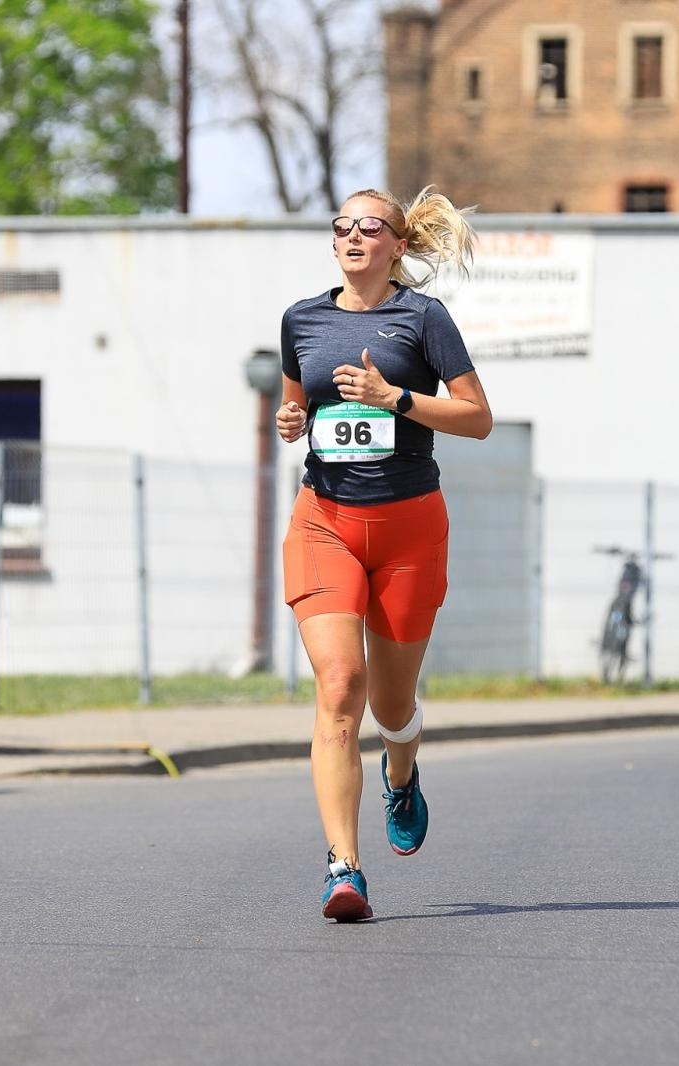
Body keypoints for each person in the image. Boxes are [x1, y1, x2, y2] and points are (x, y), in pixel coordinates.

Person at [275, 186, 492, 921]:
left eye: (370, 227)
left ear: (398, 245)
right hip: (325, 522)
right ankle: (344, 868)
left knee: (392, 703)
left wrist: (392, 397)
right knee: (341, 688)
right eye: (343, 226)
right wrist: (290, 417)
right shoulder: (301, 319)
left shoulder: (424, 319)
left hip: (407, 529)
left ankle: (402, 770)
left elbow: (478, 418)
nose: (353, 236)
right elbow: (296, 402)